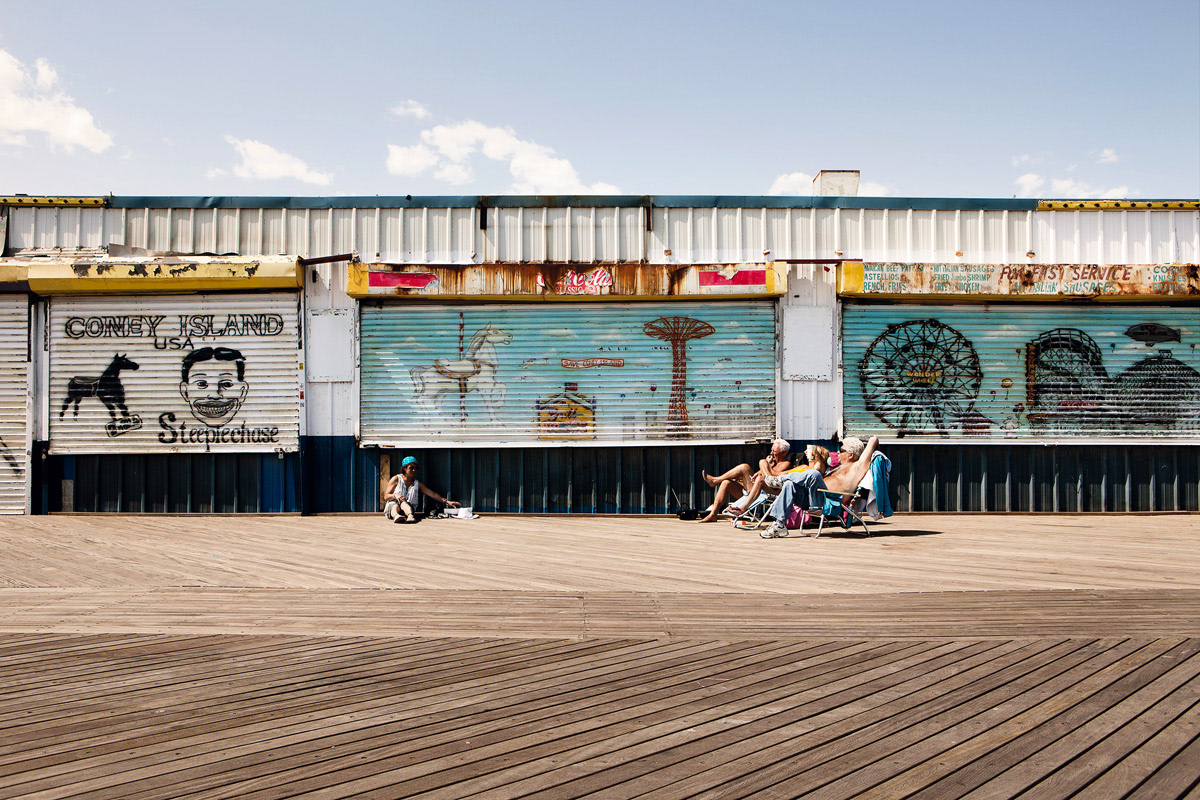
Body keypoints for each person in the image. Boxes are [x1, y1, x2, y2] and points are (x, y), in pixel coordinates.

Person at [758, 436, 879, 538]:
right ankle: (779, 525)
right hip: (813, 498)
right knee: (790, 485)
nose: (837, 452)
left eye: (841, 450)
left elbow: (873, 440)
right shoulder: (839, 468)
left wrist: (875, 444)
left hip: (827, 501)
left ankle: (780, 480)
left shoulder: (856, 468)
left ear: (851, 455)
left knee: (815, 474)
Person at [697, 439, 792, 523]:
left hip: (763, 491)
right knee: (726, 483)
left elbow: (771, 477)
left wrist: (767, 463)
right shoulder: (772, 463)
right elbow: (757, 475)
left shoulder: (786, 464)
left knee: (745, 467)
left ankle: (715, 480)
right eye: (771, 450)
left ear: (783, 453)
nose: (771, 453)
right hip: (753, 488)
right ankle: (713, 514)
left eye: (774, 451)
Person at [726, 444, 831, 517]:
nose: (808, 455)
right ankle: (743, 508)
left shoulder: (815, 472)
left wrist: (816, 454)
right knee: (761, 475)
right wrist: (765, 470)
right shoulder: (803, 466)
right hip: (780, 482)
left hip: (791, 490)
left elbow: (817, 472)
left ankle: (770, 480)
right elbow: (780, 474)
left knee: (764, 470)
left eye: (811, 454)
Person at [383, 456, 459, 523]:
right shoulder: (396, 479)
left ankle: (410, 516)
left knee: (404, 504)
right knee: (395, 505)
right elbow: (386, 496)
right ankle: (396, 516)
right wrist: (395, 495)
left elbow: (432, 494)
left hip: (408, 508)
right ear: (404, 468)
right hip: (393, 508)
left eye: (416, 468)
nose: (414, 470)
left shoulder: (417, 483)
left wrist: (447, 501)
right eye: (411, 468)